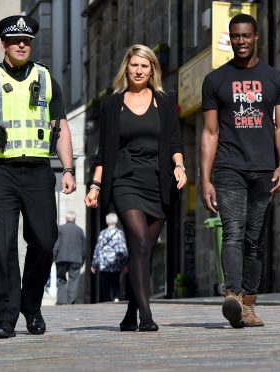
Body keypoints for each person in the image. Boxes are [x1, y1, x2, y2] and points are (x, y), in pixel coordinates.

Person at [0, 15, 75, 338]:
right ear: (4, 45)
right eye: (15, 41)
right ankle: (6, 318)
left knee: (45, 240)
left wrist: (68, 169)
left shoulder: (47, 78)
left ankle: (31, 304)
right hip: (0, 172)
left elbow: (61, 126)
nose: (22, 45)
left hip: (39, 171)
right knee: (4, 241)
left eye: (27, 40)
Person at [85, 44, 186, 332]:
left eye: (145, 66)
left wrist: (179, 166)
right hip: (125, 179)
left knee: (144, 252)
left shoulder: (165, 102)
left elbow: (176, 143)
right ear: (126, 68)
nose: (139, 70)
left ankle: (130, 313)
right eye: (134, 65)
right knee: (139, 242)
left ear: (152, 69)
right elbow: (104, 151)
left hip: (159, 180)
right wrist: (95, 185)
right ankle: (146, 316)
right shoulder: (111, 105)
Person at [200, 13, 280, 328]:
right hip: (229, 168)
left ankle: (248, 305)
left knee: (255, 239)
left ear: (256, 37)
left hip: (265, 169)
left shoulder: (276, 79)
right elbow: (210, 134)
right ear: (230, 38)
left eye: (246, 36)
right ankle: (232, 295)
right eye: (236, 36)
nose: (241, 41)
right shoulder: (215, 80)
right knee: (233, 232)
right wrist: (205, 179)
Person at [91, 213, 128, 302]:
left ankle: (107, 300)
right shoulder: (119, 233)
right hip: (116, 262)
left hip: (104, 263)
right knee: (115, 281)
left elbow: (98, 248)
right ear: (116, 221)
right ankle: (115, 297)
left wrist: (94, 264)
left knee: (105, 283)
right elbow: (123, 249)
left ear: (107, 222)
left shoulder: (103, 233)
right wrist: (125, 263)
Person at [53, 211, 86, 305]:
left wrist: (53, 257)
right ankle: (70, 301)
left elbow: (56, 245)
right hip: (76, 260)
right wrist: (82, 259)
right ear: (74, 219)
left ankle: (61, 301)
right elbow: (83, 247)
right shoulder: (80, 230)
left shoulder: (60, 229)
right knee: (74, 280)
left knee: (61, 279)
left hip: (61, 258)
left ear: (66, 219)